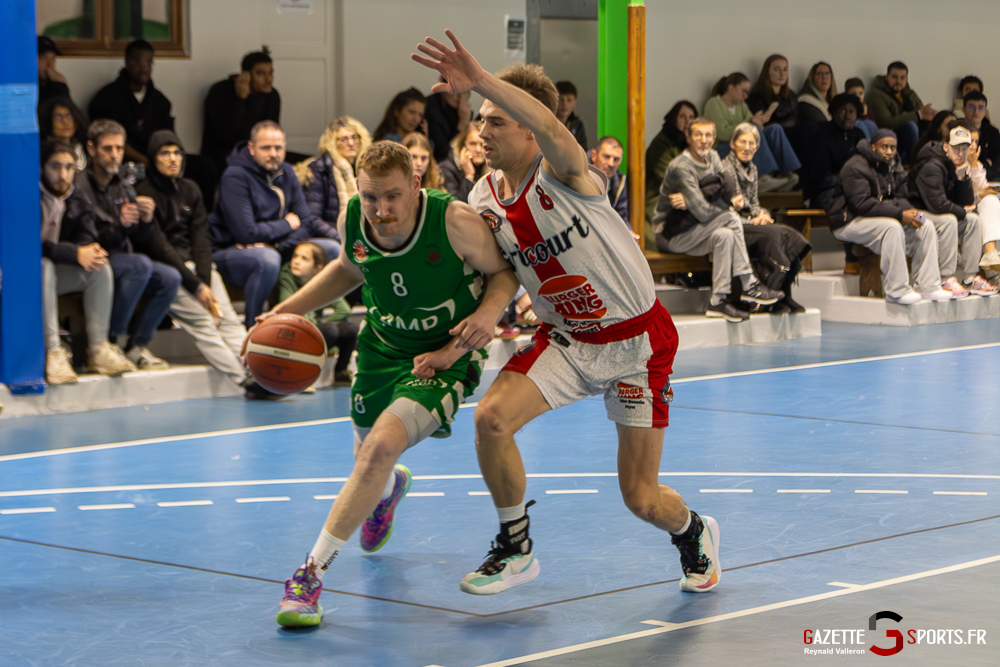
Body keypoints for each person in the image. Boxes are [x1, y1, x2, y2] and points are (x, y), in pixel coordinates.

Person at [417, 31, 725, 598]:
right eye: (480, 120)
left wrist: (483, 78)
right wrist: (454, 347)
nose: (482, 130)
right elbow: (502, 276)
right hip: (567, 341)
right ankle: (515, 547)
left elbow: (556, 129)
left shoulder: (563, 170)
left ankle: (693, 530)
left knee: (640, 498)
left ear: (527, 125)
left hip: (637, 343)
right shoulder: (484, 199)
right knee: (489, 419)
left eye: (496, 120)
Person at [272, 140, 520, 626]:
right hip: (382, 349)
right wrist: (283, 314)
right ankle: (385, 494)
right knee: (369, 457)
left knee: (378, 448)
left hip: (445, 355)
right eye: (370, 198)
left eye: (391, 196)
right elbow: (348, 268)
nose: (381, 210)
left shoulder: (454, 221)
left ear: (415, 185)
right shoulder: (353, 219)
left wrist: (488, 315)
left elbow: (505, 272)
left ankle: (307, 578)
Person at [135, 130, 253, 388]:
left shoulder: (191, 189)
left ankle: (260, 370)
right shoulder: (143, 193)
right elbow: (159, 246)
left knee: (228, 318)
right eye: (165, 153)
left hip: (198, 270)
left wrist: (205, 279)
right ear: (153, 158)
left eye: (177, 152)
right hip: (169, 272)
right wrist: (197, 286)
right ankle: (244, 380)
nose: (173, 159)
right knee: (204, 322)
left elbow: (201, 239)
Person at [210, 121, 341, 328]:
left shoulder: (287, 172)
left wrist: (281, 245)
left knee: (332, 249)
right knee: (267, 259)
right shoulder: (234, 176)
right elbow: (247, 233)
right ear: (251, 148)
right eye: (266, 148)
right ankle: (253, 329)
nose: (273, 153)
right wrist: (287, 224)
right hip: (230, 253)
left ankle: (313, 321)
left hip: (278, 247)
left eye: (278, 148)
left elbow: (306, 221)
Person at [653, 117, 784, 322]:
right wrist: (710, 202)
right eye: (698, 135)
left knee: (725, 236)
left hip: (697, 229)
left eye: (708, 135)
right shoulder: (682, 167)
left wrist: (696, 199)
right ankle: (750, 283)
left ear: (714, 138)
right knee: (731, 218)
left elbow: (728, 191)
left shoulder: (713, 157)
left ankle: (718, 301)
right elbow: (705, 212)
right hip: (671, 234)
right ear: (688, 137)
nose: (703, 140)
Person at [75, 119, 180, 369]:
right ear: (91, 149)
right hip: (89, 260)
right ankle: (112, 342)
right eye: (108, 149)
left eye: (119, 149)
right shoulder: (80, 186)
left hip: (121, 258)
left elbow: (140, 237)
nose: (115, 155)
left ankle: (135, 346)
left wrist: (145, 220)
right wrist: (119, 224)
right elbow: (88, 237)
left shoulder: (121, 185)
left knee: (170, 278)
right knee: (139, 265)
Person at [40, 141, 136, 384]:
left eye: (69, 168)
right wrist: (74, 253)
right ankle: (52, 351)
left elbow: (87, 236)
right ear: (41, 167)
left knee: (99, 265)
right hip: (20, 277)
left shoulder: (76, 196)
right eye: (55, 167)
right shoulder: (29, 195)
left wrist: (85, 251)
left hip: (55, 276)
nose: (63, 175)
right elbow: (29, 246)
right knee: (43, 265)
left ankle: (98, 349)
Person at [826, 129, 951, 304]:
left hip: (882, 216)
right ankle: (896, 289)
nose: (889, 151)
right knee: (892, 227)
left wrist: (912, 213)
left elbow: (902, 196)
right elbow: (861, 205)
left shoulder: (893, 164)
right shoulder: (855, 166)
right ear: (873, 146)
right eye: (884, 147)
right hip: (849, 220)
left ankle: (928, 286)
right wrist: (900, 214)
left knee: (925, 222)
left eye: (893, 147)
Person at [717, 123, 811, 313]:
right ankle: (773, 294)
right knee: (774, 236)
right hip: (732, 224)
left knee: (786, 233)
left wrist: (763, 214)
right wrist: (753, 220)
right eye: (742, 142)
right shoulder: (726, 169)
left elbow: (753, 204)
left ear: (757, 147)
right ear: (733, 144)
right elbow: (727, 210)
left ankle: (783, 294)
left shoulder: (752, 168)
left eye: (751, 143)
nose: (747, 147)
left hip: (751, 223)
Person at [908, 123, 988, 298]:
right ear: (946, 147)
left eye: (965, 148)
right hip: (914, 214)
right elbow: (938, 205)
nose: (961, 153)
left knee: (973, 220)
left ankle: (970, 277)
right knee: (949, 220)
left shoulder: (955, 165)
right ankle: (946, 278)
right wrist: (962, 212)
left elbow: (965, 201)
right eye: (956, 148)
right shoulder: (931, 165)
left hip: (932, 213)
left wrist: (962, 176)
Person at [277, 242, 358, 385]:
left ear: (317, 268)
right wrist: (317, 328)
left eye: (304, 259)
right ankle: (301, 374)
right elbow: (291, 312)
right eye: (295, 256)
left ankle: (340, 371)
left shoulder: (321, 282)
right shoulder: (287, 277)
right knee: (329, 330)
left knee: (350, 329)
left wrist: (319, 326)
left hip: (311, 331)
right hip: (292, 333)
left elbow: (343, 309)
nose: (296, 261)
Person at [703, 72, 801, 191]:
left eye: (748, 92)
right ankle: (762, 177)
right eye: (743, 91)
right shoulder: (714, 104)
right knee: (753, 129)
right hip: (722, 150)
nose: (746, 96)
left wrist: (759, 121)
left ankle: (787, 173)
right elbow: (722, 133)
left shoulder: (742, 106)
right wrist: (750, 123)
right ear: (731, 87)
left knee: (775, 129)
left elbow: (753, 124)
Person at [88, 40, 175, 167]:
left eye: (148, 63)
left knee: (203, 167)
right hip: (122, 161)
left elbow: (167, 137)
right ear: (127, 62)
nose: (144, 68)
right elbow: (108, 140)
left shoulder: (160, 101)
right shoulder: (106, 99)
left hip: (156, 160)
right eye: (139, 62)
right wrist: (146, 162)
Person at [202, 50, 280, 177]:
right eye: (261, 74)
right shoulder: (220, 91)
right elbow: (227, 137)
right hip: (223, 153)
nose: (269, 80)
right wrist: (241, 100)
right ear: (246, 75)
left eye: (270, 73)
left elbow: (270, 132)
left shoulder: (272, 96)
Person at [294, 117, 372, 238]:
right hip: (329, 236)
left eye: (354, 137)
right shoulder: (319, 171)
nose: (351, 143)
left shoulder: (366, 169)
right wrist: (341, 238)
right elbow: (312, 218)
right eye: (344, 139)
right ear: (332, 143)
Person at [799, 93, 866, 210]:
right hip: (827, 191)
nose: (847, 116)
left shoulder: (859, 135)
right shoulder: (821, 134)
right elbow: (821, 176)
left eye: (851, 112)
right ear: (834, 112)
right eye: (843, 111)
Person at [645, 101, 696, 243]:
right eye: (682, 117)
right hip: (659, 201)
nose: (687, 122)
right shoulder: (661, 144)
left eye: (691, 117)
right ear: (673, 118)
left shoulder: (690, 144)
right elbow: (673, 179)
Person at [866, 61, 935, 163]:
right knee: (910, 126)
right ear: (886, 77)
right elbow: (886, 123)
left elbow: (921, 113)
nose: (898, 81)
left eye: (902, 78)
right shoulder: (876, 95)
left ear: (906, 80)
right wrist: (918, 115)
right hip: (890, 142)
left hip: (914, 139)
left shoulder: (909, 94)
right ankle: (913, 163)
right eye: (894, 77)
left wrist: (929, 117)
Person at [967, 127, 1000, 277]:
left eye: (975, 141)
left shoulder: (978, 165)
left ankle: (993, 264)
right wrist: (980, 195)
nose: (973, 146)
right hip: (948, 212)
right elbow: (958, 198)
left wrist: (974, 165)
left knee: (992, 203)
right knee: (989, 203)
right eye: (970, 141)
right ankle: (970, 277)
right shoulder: (951, 165)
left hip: (974, 209)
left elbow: (980, 191)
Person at [438, 121, 488, 202]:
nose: (478, 150)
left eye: (482, 145)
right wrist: (469, 176)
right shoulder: (446, 168)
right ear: (462, 146)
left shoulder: (488, 168)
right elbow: (457, 204)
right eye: (472, 144)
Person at [423, 81, 473, 162]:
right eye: (456, 90)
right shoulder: (431, 109)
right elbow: (440, 154)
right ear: (444, 88)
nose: (460, 96)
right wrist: (462, 124)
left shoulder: (462, 111)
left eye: (464, 91)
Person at [38, 96, 88, 171]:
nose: (65, 121)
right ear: (48, 121)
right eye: (58, 117)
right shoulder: (44, 152)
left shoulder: (80, 147)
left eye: (69, 116)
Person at [747, 54, 797, 128]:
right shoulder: (757, 95)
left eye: (785, 69)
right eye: (776, 70)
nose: (782, 74)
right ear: (767, 72)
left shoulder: (791, 95)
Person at [589, 136, 628, 223]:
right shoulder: (578, 175)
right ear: (594, 156)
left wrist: (628, 232)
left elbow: (621, 216)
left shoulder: (619, 182)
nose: (611, 163)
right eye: (606, 157)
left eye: (616, 159)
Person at [963, 91, 1000, 181]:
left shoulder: (993, 132)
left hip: (990, 176)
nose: (976, 111)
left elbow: (996, 159)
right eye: (971, 107)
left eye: (980, 107)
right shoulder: (957, 130)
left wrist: (981, 165)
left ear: (985, 111)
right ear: (963, 109)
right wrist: (986, 162)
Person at [555, 80, 588, 150]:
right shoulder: (546, 122)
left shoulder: (577, 125)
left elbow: (583, 149)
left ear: (575, 102)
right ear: (553, 101)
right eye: (560, 100)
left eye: (569, 100)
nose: (564, 104)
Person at [37, 36, 70, 105]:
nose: (49, 64)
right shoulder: (26, 86)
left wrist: (61, 84)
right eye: (43, 58)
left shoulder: (56, 86)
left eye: (52, 58)